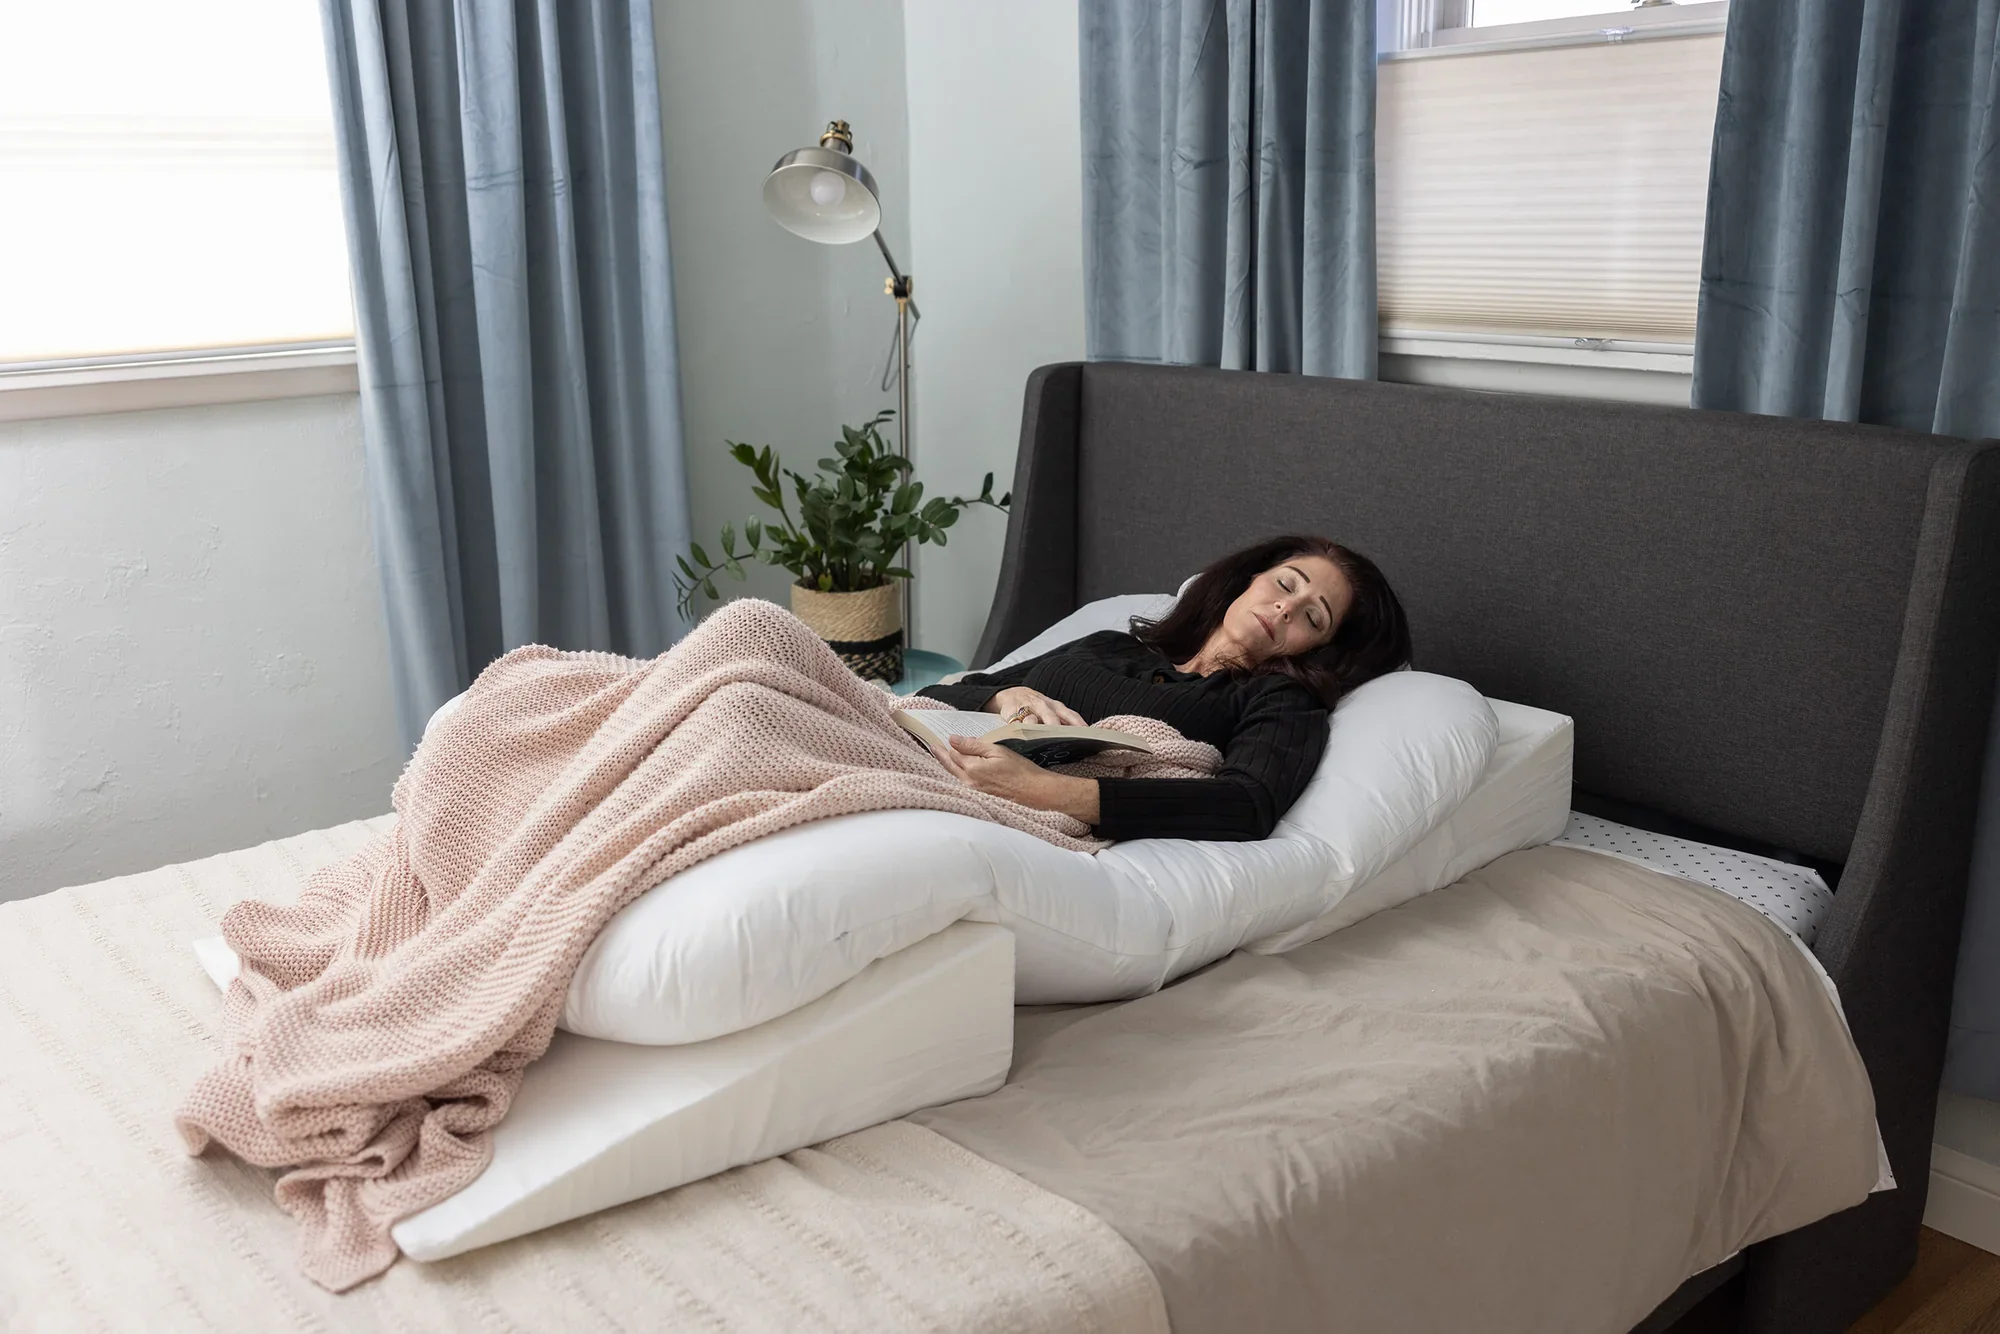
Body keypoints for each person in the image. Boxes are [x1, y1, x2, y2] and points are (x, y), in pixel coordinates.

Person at [918, 535, 1412, 841]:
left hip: (1019, 808)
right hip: (940, 760)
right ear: (1251, 579)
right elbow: (941, 697)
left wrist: (1048, 792)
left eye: (1312, 616)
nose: (1286, 609)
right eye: (1286, 585)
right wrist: (1006, 695)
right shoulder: (1109, 645)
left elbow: (1247, 805)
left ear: (1315, 648)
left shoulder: (1277, 700)